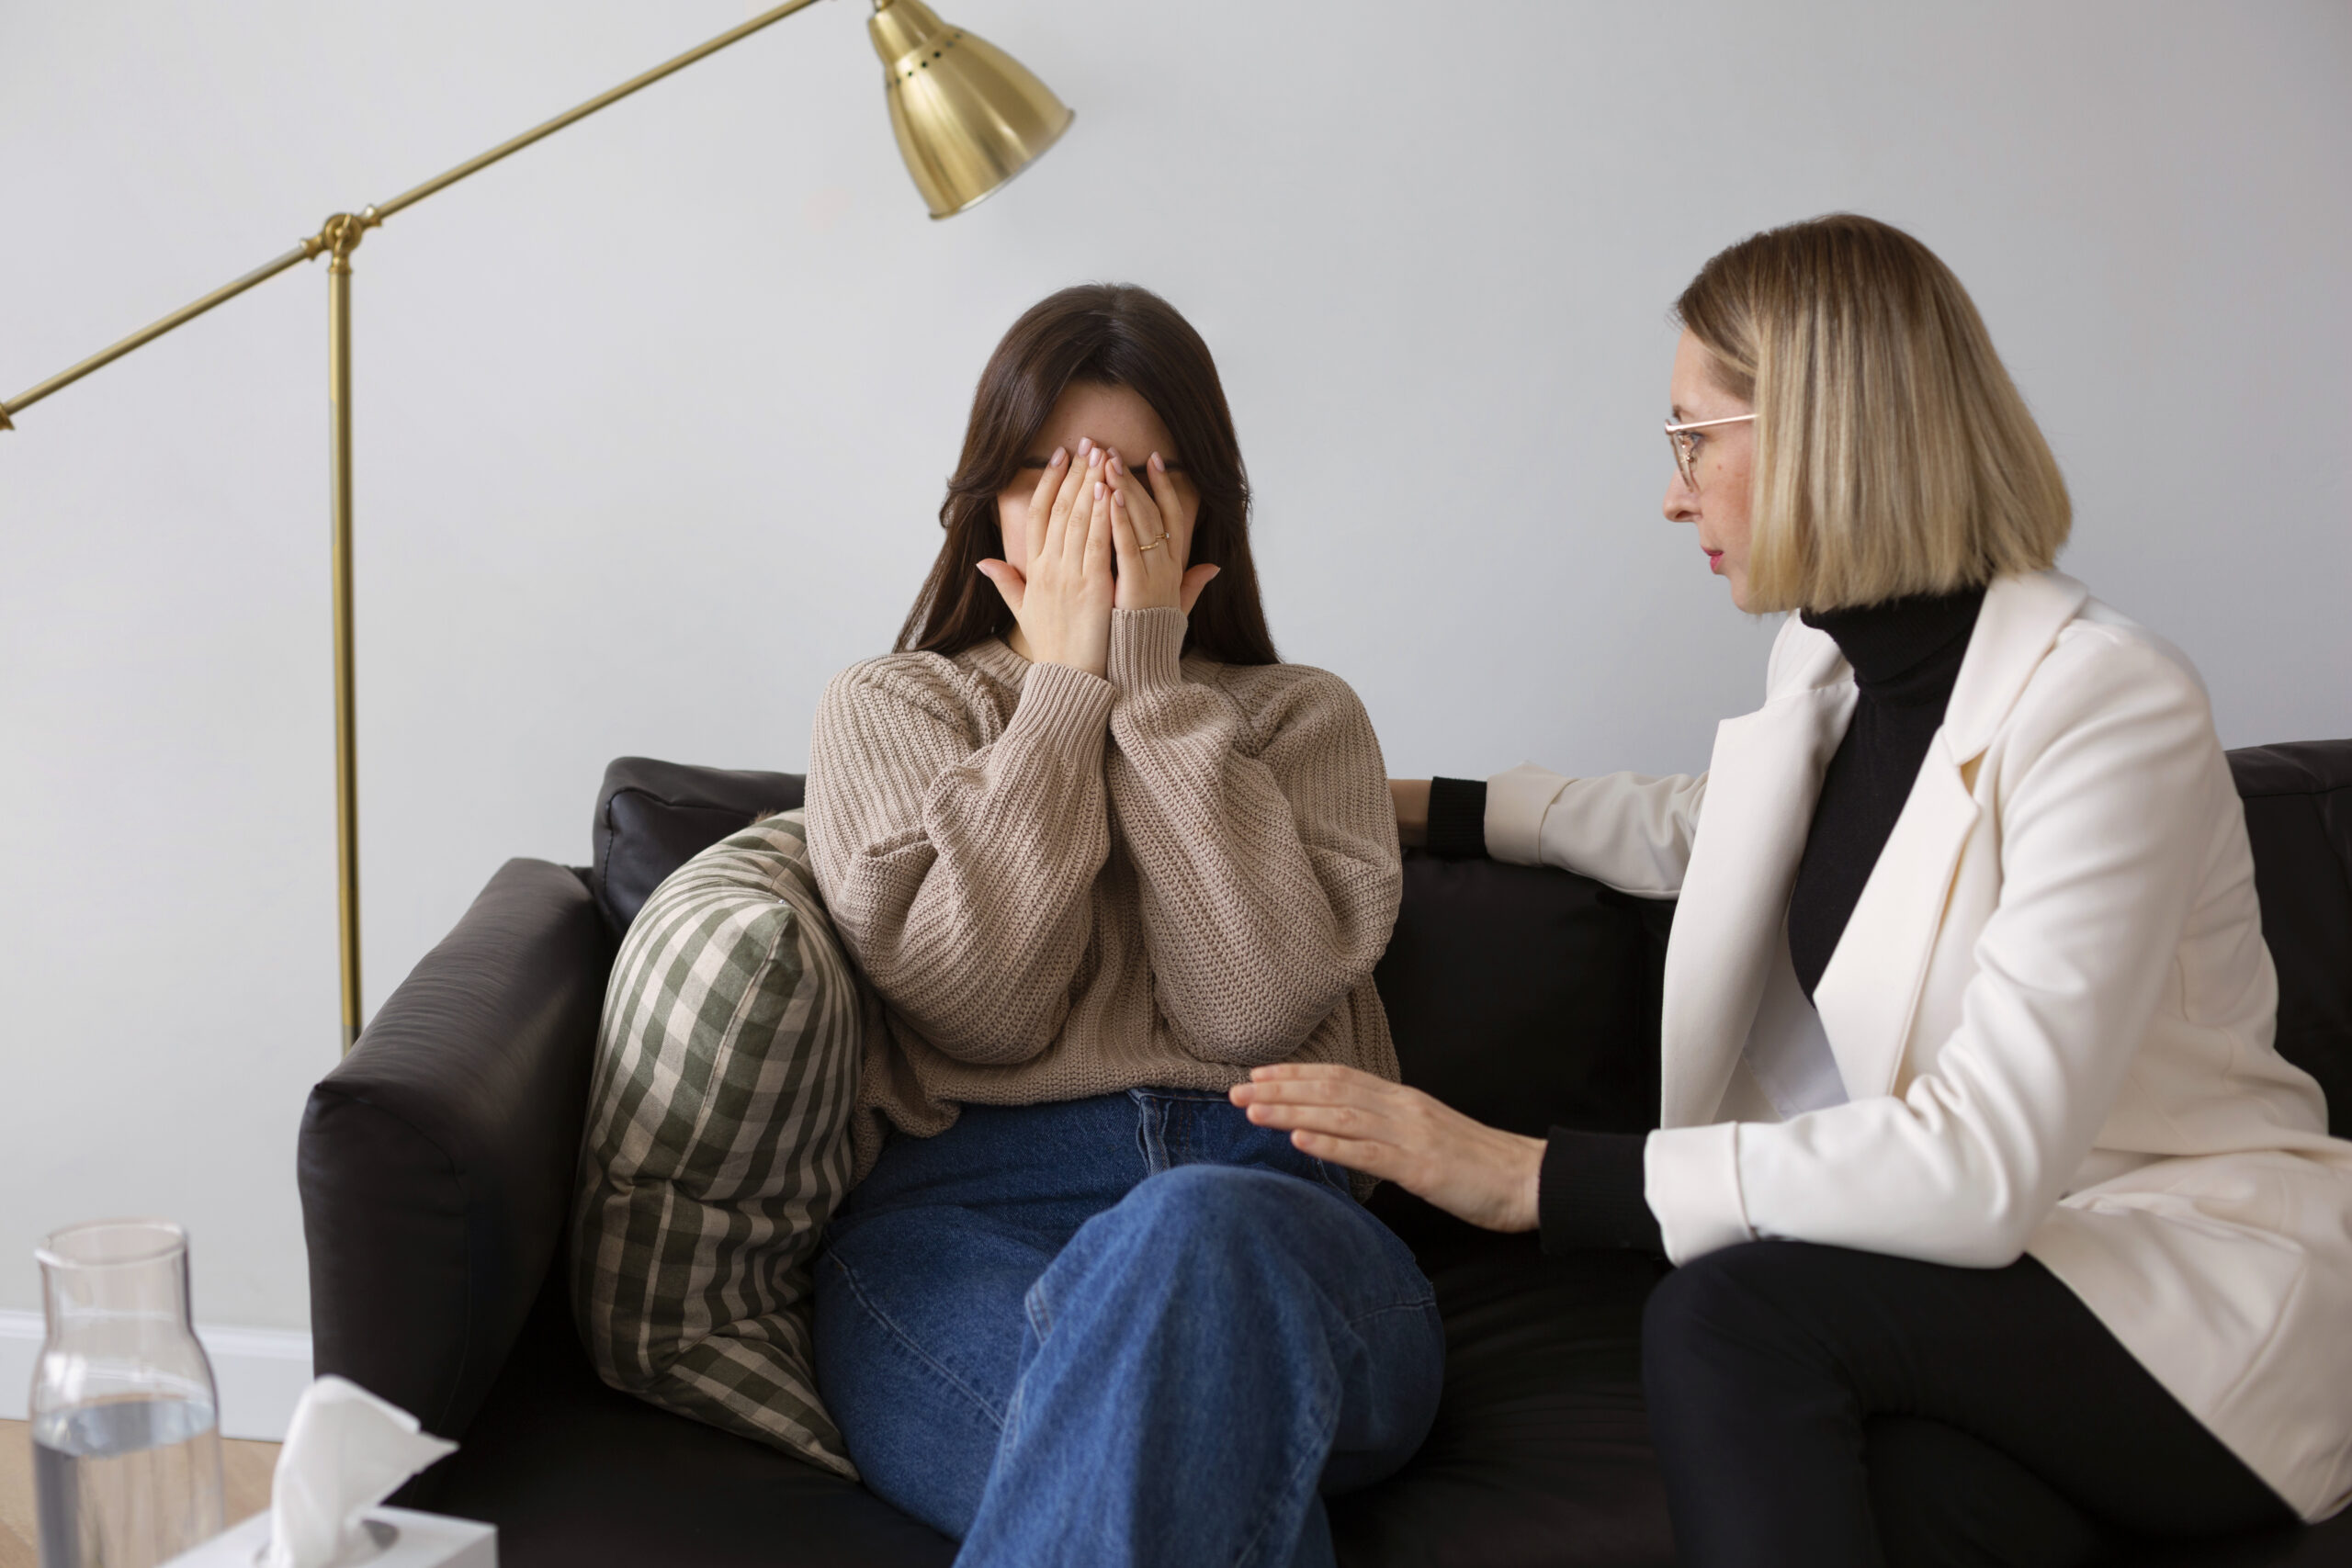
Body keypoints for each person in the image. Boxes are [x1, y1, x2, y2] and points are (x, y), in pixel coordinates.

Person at [1232, 214, 2352, 1564]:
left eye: (1690, 439)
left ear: (1825, 427)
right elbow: (1714, 830)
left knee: (1730, 1316)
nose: (1671, 492)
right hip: (1989, 1295)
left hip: (2182, 1290)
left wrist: (1529, 1176)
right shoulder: (1828, 673)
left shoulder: (2111, 705)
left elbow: (1984, 1163)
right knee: (1896, 1501)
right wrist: (1410, 804)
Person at [802, 283, 1440, 1568]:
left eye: (1142, 475)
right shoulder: (894, 707)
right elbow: (975, 1002)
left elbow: (1248, 1008)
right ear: (988, 496)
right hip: (956, 1226)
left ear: (1207, 504)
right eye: (1057, 472)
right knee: (1187, 1461)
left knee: (1189, 1236)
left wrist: (1149, 687)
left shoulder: (1301, 719)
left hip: (1266, 1214)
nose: (1098, 511)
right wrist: (1058, 698)